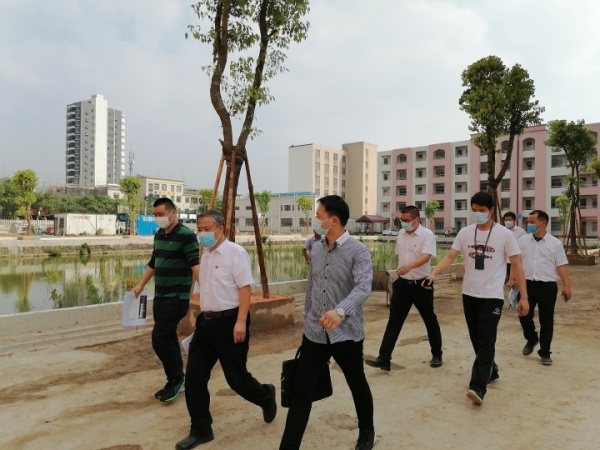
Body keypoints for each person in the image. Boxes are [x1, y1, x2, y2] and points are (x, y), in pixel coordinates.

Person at [279, 195, 375, 450]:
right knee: (301, 391)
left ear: (333, 220)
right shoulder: (316, 248)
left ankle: (367, 432)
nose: (315, 219)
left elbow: (363, 288)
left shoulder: (359, 251)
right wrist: (306, 321)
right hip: (315, 332)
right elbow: (312, 287)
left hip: (346, 332)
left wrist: (340, 311)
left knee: (357, 383)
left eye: (318, 215)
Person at [176, 210, 277, 450]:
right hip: (206, 324)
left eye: (207, 229)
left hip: (230, 323)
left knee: (236, 379)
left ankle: (265, 396)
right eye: (199, 229)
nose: (202, 233)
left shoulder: (236, 253)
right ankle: (201, 429)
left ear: (221, 229)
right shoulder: (206, 255)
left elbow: (245, 289)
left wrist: (241, 322)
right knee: (194, 378)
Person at [425, 191, 529, 406]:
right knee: (476, 339)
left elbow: (517, 265)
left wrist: (524, 297)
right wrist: (434, 273)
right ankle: (492, 370)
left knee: (487, 340)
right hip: (469, 294)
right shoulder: (465, 233)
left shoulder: (504, 234)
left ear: (491, 211)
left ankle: (478, 386)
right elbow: (450, 256)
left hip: (491, 297)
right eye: (474, 210)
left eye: (482, 210)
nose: (478, 214)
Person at [132, 197, 199, 403]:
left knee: (159, 338)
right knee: (168, 336)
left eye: (161, 214)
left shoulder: (186, 236)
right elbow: (154, 262)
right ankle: (179, 379)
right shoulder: (159, 234)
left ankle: (176, 379)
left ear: (173, 213)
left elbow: (195, 265)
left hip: (177, 297)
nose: (157, 218)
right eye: (155, 215)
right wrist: (141, 285)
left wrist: (207, 291)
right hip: (160, 295)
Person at [366, 205, 443, 371]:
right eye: (402, 220)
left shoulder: (427, 235)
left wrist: (410, 267)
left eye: (407, 220)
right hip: (403, 284)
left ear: (417, 220)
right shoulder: (401, 233)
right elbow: (399, 256)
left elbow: (426, 257)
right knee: (394, 321)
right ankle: (384, 358)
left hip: (422, 284)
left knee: (429, 319)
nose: (404, 223)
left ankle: (437, 354)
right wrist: (401, 271)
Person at [512, 210, 571, 366]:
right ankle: (532, 338)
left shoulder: (555, 243)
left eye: (532, 222)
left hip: (547, 286)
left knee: (546, 321)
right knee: (524, 315)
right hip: (527, 285)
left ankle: (545, 352)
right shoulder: (522, 241)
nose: (529, 224)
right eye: (528, 221)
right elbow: (516, 262)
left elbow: (561, 265)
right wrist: (512, 278)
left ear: (543, 223)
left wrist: (566, 285)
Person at [502, 211, 527, 281]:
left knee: (515, 280)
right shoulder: (501, 231)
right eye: (506, 220)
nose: (507, 221)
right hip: (503, 261)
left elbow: (524, 246)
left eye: (509, 219)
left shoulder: (521, 232)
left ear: (514, 220)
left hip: (515, 261)